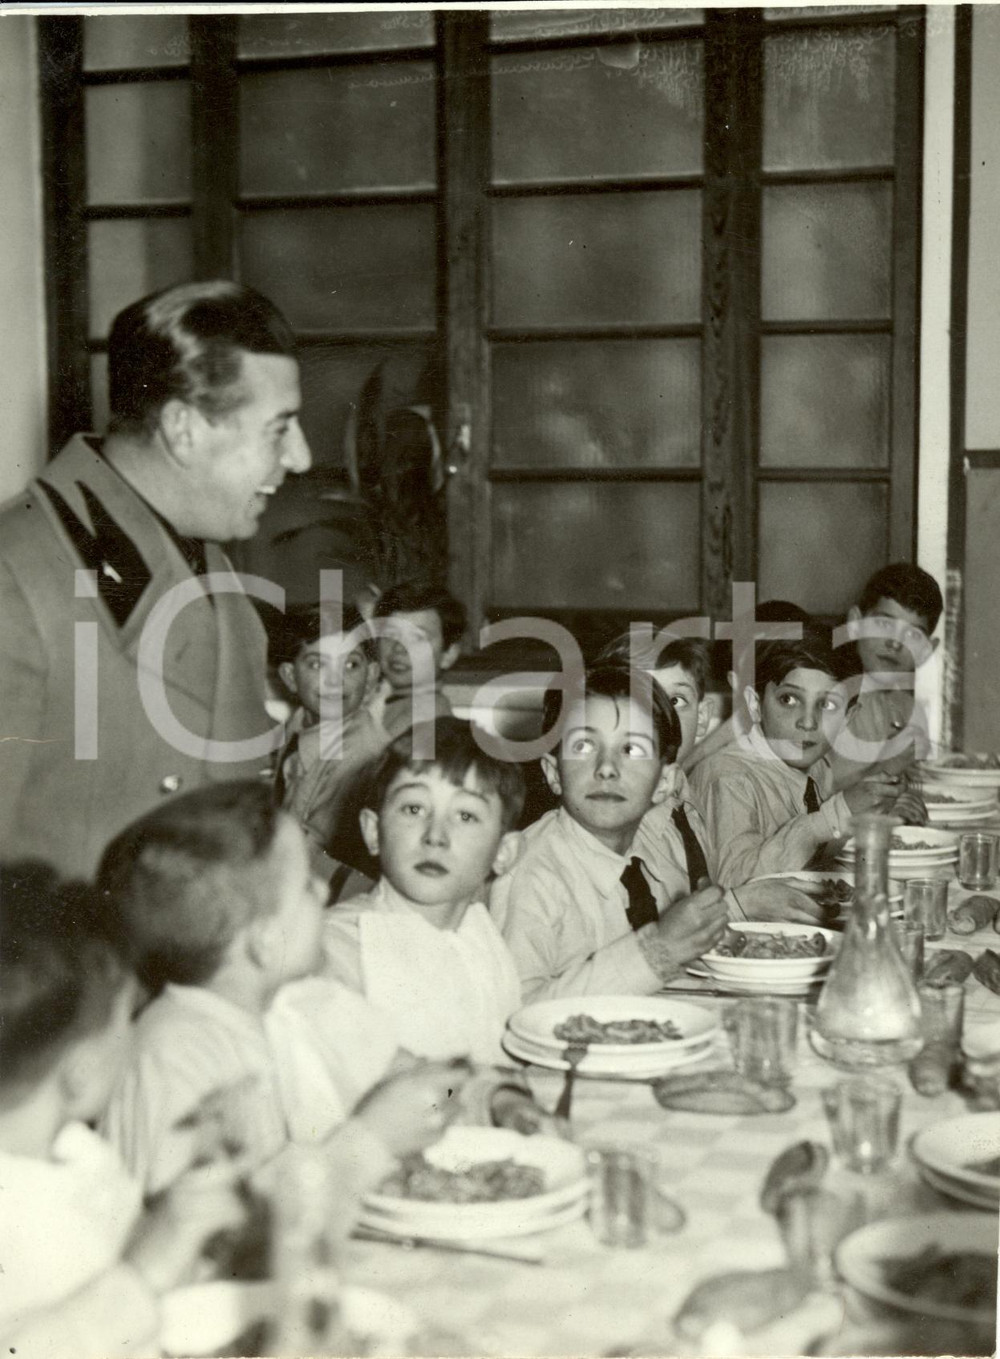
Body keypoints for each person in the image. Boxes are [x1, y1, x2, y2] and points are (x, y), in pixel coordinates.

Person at [0, 280, 312, 878]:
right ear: (184, 429)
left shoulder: (207, 569)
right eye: (279, 429)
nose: (300, 457)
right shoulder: (18, 574)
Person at [97, 780, 469, 1196]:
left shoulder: (300, 1005)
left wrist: (487, 1094)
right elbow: (204, 1239)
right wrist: (370, 1140)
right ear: (265, 940)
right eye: (308, 883)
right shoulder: (177, 1055)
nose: (325, 889)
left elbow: (407, 1074)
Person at [0, 861, 245, 1356]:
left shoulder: (79, 1153)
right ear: (81, 1070)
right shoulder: (17, 1220)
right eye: (128, 1017)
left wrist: (181, 1229)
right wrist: (146, 1269)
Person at [490, 664, 729, 1001]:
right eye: (584, 746)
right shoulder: (532, 874)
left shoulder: (651, 859)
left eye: (631, 750)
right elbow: (512, 1012)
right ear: (553, 773)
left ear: (664, 783)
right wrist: (657, 950)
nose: (606, 768)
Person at [323, 717, 526, 1067]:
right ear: (373, 831)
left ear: (504, 852)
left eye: (465, 816)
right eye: (413, 809)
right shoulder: (341, 945)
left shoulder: (480, 934)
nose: (436, 835)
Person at [688, 627, 917, 890]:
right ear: (754, 704)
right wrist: (836, 814)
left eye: (828, 705)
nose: (808, 722)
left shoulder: (816, 767)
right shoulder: (727, 778)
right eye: (789, 699)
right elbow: (737, 885)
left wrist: (863, 816)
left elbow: (809, 857)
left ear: (848, 718)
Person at [269, 600, 384, 891]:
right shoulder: (300, 725)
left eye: (351, 664)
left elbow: (314, 851)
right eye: (318, 664)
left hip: (334, 890)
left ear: (370, 678)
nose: (335, 680)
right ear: (290, 677)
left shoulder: (359, 753)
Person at [826, 562, 943, 791]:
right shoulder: (823, 698)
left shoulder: (913, 712)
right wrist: (887, 766)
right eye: (884, 623)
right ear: (855, 624)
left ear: (926, 651)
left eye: (912, 633)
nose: (895, 643)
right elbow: (804, 798)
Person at [368, 578, 465, 739]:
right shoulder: (394, 703)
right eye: (391, 634)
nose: (399, 648)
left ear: (448, 655)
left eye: (417, 638)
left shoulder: (426, 715)